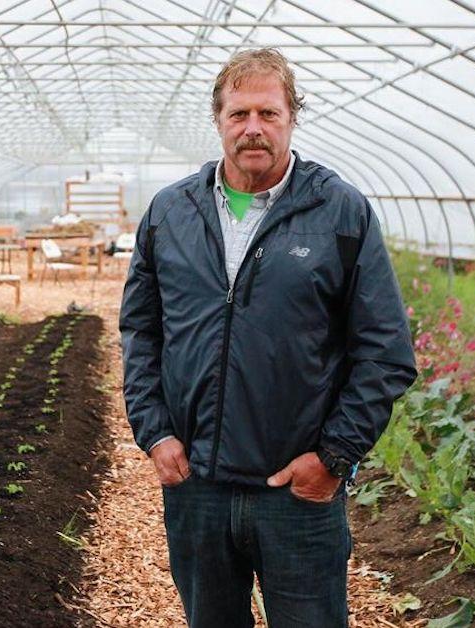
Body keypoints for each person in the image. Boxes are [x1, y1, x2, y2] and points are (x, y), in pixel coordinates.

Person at [119, 48, 417, 628]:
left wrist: (334, 458)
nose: (253, 128)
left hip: (294, 493)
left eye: (268, 113)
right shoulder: (169, 213)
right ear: (219, 120)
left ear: (291, 118)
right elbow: (141, 330)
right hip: (196, 490)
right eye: (238, 114)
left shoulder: (338, 211)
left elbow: (385, 351)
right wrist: (154, 432)